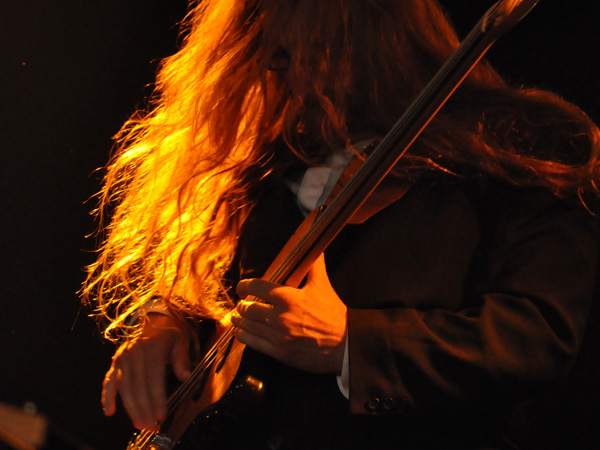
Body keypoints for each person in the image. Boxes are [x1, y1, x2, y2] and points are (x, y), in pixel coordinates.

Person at [82, 0, 600, 449]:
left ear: (366, 36)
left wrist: (348, 343)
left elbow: (535, 336)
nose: (270, 67)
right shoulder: (280, 156)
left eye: (294, 50)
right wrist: (165, 321)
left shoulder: (525, 144)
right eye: (263, 47)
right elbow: (221, 289)